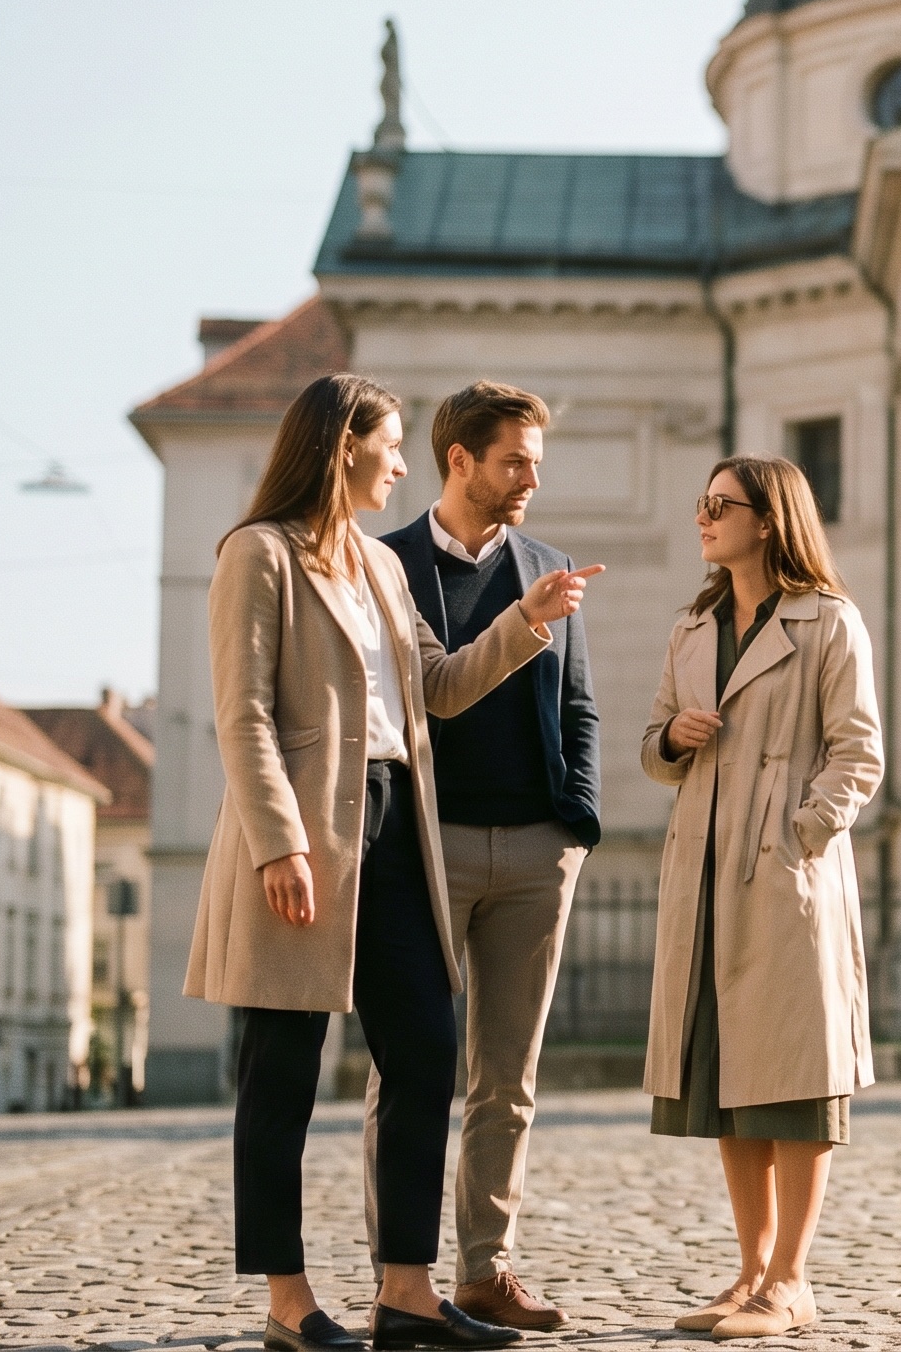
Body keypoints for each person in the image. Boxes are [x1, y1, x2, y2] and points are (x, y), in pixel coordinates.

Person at [182, 373, 602, 1352]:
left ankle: (406, 1291)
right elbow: (241, 711)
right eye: (392, 446)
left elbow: (442, 689)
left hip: (394, 826)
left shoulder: (379, 566)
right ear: (344, 449)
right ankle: (289, 1301)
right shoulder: (259, 554)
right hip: (301, 833)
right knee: (282, 1069)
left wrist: (527, 622)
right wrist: (278, 839)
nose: (404, 464)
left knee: (423, 1052)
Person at [373, 383, 600, 1333]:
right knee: (411, 1067)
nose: (531, 482)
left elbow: (578, 708)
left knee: (508, 1076)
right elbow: (410, 700)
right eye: (515, 462)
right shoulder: (386, 566)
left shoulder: (548, 566)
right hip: (429, 846)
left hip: (536, 851)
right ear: (459, 459)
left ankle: (485, 1268)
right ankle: (403, 1275)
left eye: (537, 464)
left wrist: (575, 822)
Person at [641, 455, 883, 1341]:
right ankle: (747, 1275)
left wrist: (801, 836)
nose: (703, 517)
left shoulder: (830, 622)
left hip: (783, 880)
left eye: (720, 505)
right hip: (703, 872)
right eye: (699, 502)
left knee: (794, 1081)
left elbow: (859, 755)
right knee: (727, 1080)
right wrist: (672, 735)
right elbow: (650, 745)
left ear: (770, 519)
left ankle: (791, 1280)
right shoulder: (694, 624)